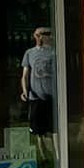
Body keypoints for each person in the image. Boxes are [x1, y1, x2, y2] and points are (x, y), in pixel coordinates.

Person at [21, 26, 57, 158]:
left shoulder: (54, 52)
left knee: (53, 127)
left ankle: (57, 156)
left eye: (43, 34)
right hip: (35, 96)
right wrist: (25, 91)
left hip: (51, 95)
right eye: (37, 34)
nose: (39, 37)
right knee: (38, 130)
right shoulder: (29, 53)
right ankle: (44, 157)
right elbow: (25, 75)